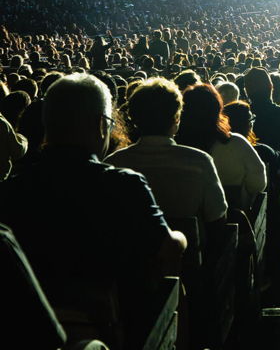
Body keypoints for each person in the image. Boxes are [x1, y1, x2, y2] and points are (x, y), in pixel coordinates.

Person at [0, 74, 185, 329]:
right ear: (101, 125)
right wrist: (180, 237)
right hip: (116, 328)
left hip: (25, 331)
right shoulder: (126, 186)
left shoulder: (9, 192)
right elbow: (169, 249)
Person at [107, 78, 228, 224]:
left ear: (134, 118)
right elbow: (217, 214)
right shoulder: (200, 162)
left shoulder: (113, 164)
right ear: (177, 118)